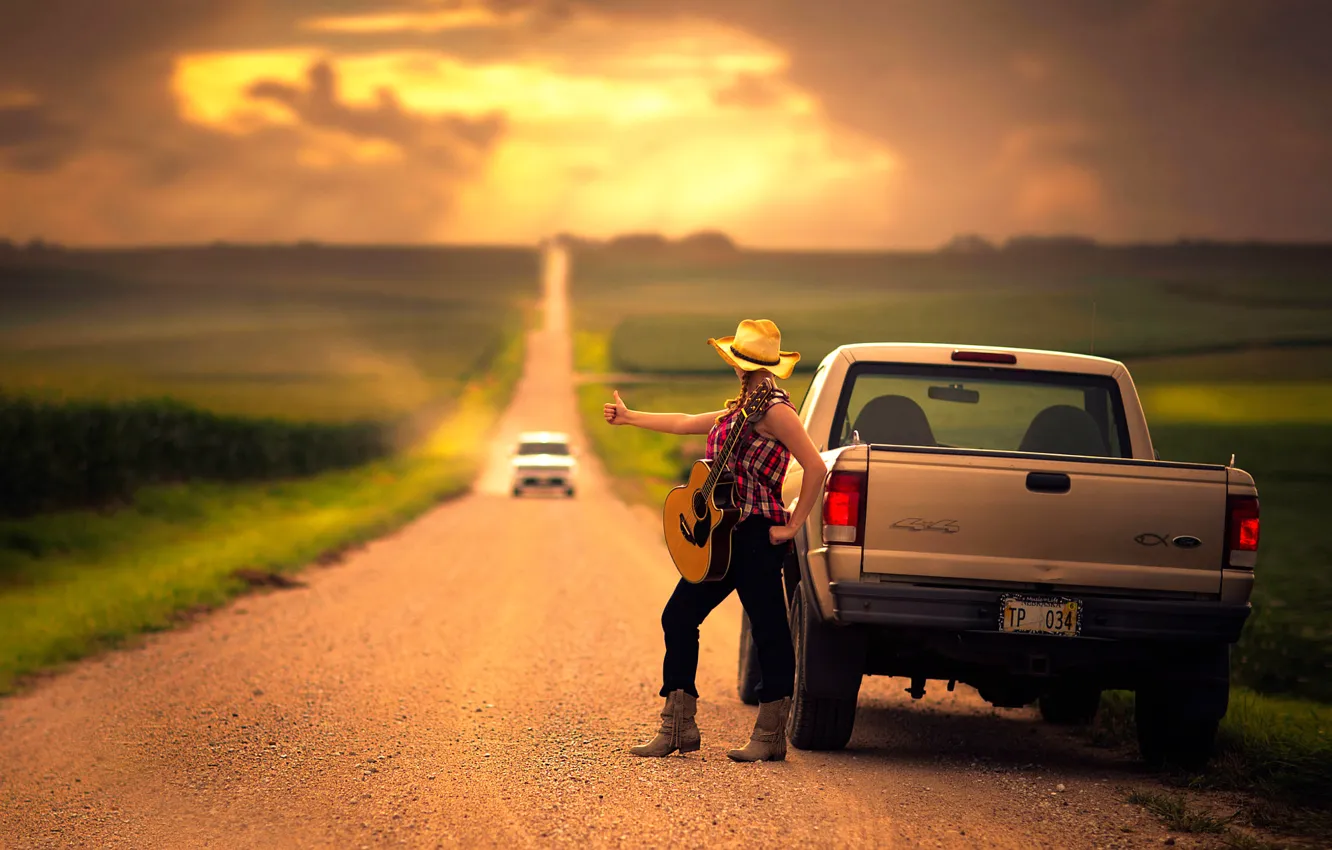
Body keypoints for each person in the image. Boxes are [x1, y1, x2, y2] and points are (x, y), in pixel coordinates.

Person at [603, 318, 827, 762]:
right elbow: (686, 422)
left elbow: (816, 468)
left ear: (743, 364)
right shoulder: (742, 408)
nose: (737, 368)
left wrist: (793, 524)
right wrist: (630, 418)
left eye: (737, 361)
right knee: (679, 617)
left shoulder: (777, 411)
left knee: (769, 632)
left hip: (758, 536)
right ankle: (677, 726)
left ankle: (768, 737)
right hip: (721, 538)